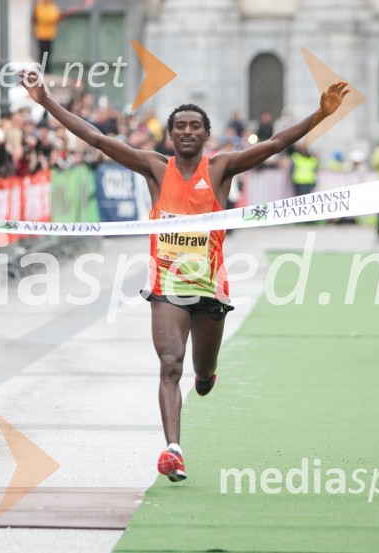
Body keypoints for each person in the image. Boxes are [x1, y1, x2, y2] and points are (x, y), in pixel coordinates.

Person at [20, 69, 350, 481]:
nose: (187, 132)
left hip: (210, 288)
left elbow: (276, 143)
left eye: (195, 126)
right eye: (180, 127)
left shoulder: (222, 168)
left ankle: (207, 375)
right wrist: (46, 101)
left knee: (202, 372)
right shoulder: (155, 168)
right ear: (171, 135)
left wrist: (320, 115)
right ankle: (173, 449)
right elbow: (97, 139)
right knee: (169, 364)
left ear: (206, 134)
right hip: (167, 286)